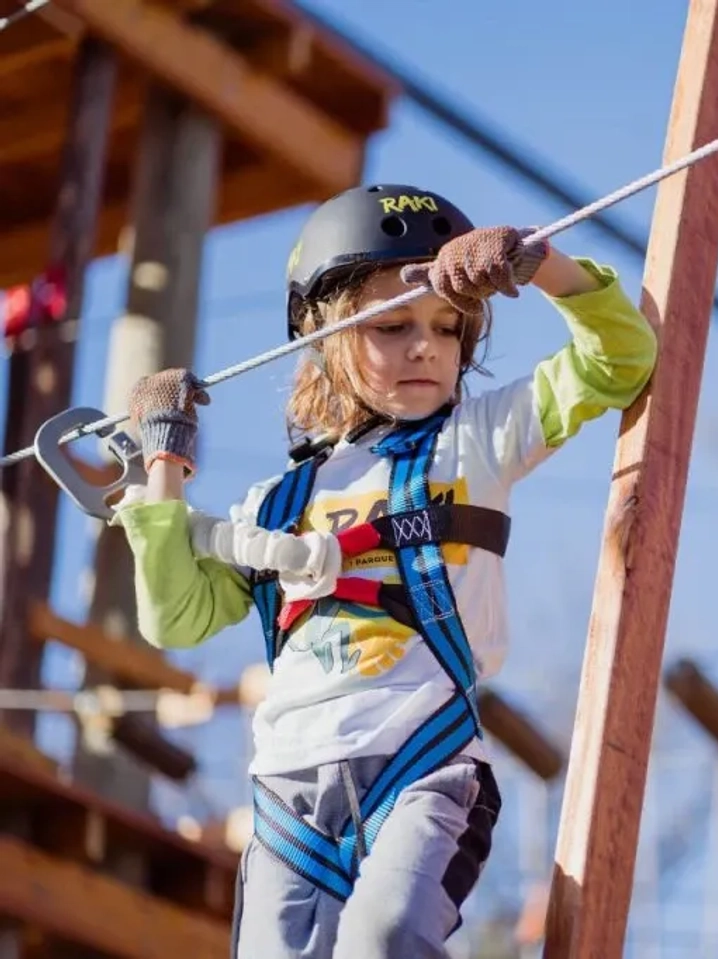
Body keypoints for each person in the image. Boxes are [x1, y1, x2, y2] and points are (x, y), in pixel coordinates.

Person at [106, 183, 658, 959]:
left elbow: (621, 359)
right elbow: (178, 616)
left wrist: (541, 268)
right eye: (392, 327)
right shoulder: (278, 502)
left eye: (446, 328)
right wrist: (162, 461)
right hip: (291, 791)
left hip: (423, 762)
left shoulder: (479, 440)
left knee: (387, 937)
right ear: (327, 339)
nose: (425, 347)